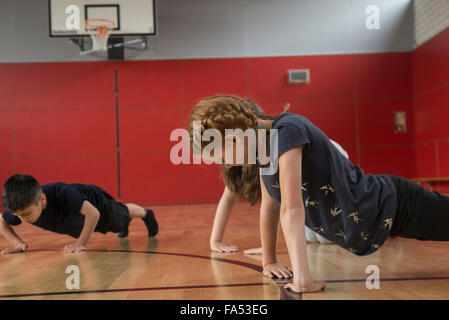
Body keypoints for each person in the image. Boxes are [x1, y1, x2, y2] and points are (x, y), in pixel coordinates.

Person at [188, 94, 449, 293]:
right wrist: (269, 261)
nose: (229, 165)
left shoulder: (288, 130)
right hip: (375, 224)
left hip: (392, 203)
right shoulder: (263, 152)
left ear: (234, 139)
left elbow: (291, 208)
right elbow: (270, 208)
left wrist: (303, 278)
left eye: (222, 156)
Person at [0, 174, 158, 254]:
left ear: (42, 199)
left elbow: (93, 214)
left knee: (122, 215)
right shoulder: (21, 205)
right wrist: (17, 243)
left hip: (99, 207)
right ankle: (124, 223)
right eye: (18, 215)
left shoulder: (64, 194)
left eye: (26, 214)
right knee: (118, 225)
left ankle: (146, 214)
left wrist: (80, 244)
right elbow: (2, 221)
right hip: (78, 218)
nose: (22, 219)